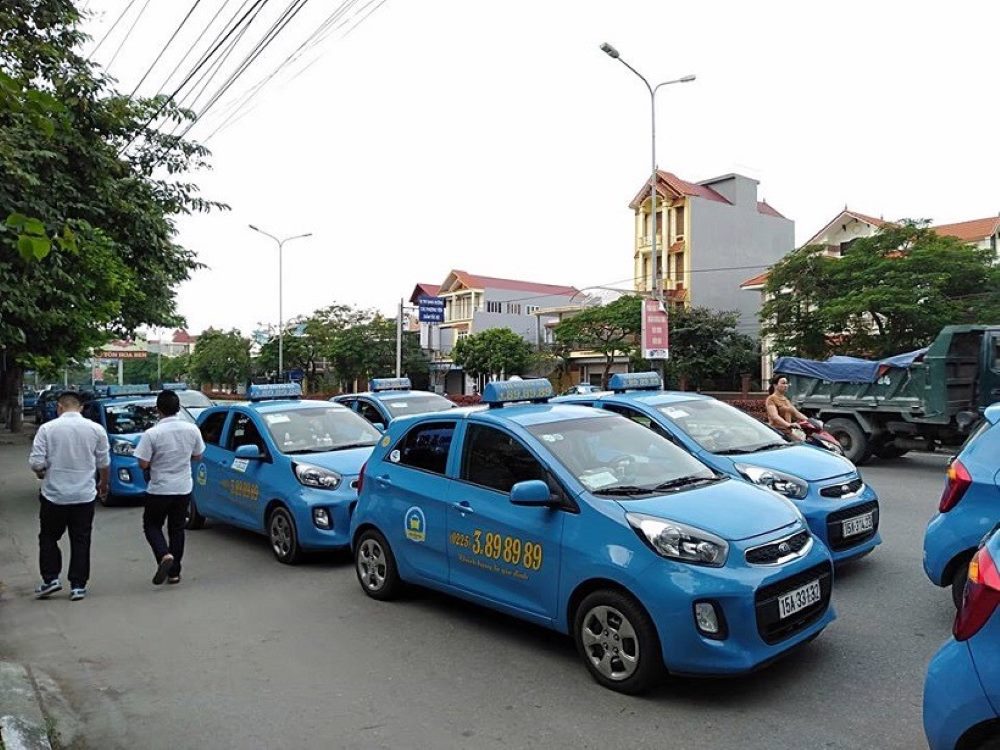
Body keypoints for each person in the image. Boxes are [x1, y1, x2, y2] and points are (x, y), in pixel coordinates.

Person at [28, 390, 110, 601]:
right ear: (80, 408)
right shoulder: (95, 429)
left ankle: (50, 578)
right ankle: (78, 585)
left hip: (54, 495)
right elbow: (104, 463)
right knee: (81, 539)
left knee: (48, 537)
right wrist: (103, 485)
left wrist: (42, 473)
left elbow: (37, 463)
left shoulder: (47, 429)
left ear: (59, 407)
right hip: (84, 495)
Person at [134, 390, 205, 586]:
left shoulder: (152, 433)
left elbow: (143, 463)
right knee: (177, 529)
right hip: (183, 487)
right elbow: (198, 456)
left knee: (151, 525)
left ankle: (163, 555)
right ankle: (174, 573)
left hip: (159, 488)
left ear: (158, 410)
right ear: (178, 408)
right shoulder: (192, 429)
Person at [765, 375, 809, 441]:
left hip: (787, 432)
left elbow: (797, 413)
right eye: (783, 383)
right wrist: (788, 424)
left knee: (803, 443)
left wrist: (810, 421)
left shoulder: (786, 400)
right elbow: (775, 416)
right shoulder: (771, 399)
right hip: (777, 432)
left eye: (786, 383)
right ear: (775, 385)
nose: (786, 385)